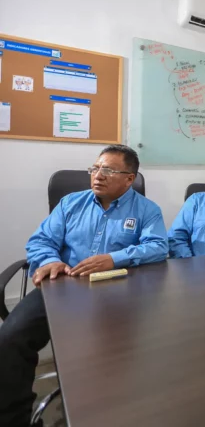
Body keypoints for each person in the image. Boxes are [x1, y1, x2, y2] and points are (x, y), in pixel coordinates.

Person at [0, 145, 169, 427]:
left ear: (130, 179)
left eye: (109, 170)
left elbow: (158, 246)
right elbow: (40, 241)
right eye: (95, 168)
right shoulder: (70, 203)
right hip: (61, 287)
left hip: (116, 291)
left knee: (130, 351)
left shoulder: (147, 210)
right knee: (10, 339)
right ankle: (14, 419)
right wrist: (50, 260)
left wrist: (113, 259)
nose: (98, 175)